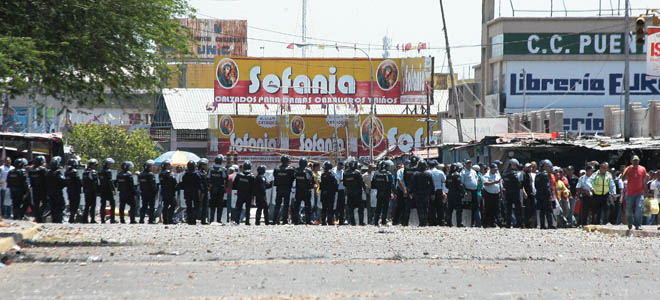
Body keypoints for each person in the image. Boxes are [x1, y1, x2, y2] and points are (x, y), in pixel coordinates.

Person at [622, 155, 648, 230]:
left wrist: (646, 192)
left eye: (636, 160)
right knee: (629, 209)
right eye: (634, 160)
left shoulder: (642, 169)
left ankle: (638, 224)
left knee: (639, 207)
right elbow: (623, 179)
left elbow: (644, 181)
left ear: (639, 161)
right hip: (630, 193)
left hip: (639, 192)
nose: (635, 162)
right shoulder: (628, 168)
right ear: (631, 161)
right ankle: (630, 222)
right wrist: (627, 171)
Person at [409, 160, 433, 227]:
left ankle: (421, 222)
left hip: (418, 194)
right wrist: (432, 193)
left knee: (420, 208)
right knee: (425, 208)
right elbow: (432, 185)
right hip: (426, 194)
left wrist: (411, 192)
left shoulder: (415, 174)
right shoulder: (428, 174)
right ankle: (425, 222)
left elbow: (412, 184)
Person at [272, 155, 295, 225]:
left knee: (277, 205)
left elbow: (275, 176)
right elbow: (293, 178)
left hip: (279, 189)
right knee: (286, 205)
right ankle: (284, 220)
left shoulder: (276, 169)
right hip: (287, 189)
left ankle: (275, 220)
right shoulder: (290, 169)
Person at [502, 159, 524, 228]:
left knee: (508, 209)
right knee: (518, 208)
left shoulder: (504, 173)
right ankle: (519, 223)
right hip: (515, 192)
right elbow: (519, 183)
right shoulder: (515, 173)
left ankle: (508, 223)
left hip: (507, 192)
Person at [232, 160, 255, 225]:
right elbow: (253, 188)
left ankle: (237, 221)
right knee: (247, 209)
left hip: (240, 194)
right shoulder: (251, 176)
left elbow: (234, 185)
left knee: (238, 208)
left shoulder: (239, 175)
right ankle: (247, 222)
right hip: (248, 195)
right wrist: (253, 197)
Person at [371, 161, 394, 226]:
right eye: (388, 166)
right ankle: (383, 221)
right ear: (386, 167)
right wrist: (395, 192)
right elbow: (391, 184)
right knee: (385, 207)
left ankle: (376, 222)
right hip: (386, 193)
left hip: (379, 192)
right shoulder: (388, 174)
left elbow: (373, 185)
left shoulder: (376, 173)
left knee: (378, 207)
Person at [292, 158, 314, 225]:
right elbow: (312, 181)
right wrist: (311, 187)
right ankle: (308, 221)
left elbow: (293, 178)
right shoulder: (308, 171)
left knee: (297, 207)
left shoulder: (296, 170)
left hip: (298, 191)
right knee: (308, 207)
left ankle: (295, 221)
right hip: (306, 191)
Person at [535, 160, 556, 229]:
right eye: (549, 167)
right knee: (548, 210)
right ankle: (550, 224)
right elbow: (547, 186)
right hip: (545, 195)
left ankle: (542, 225)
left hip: (539, 195)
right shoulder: (545, 174)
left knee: (542, 211)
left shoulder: (537, 174)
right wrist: (549, 195)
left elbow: (536, 185)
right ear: (545, 167)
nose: (551, 168)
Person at [45, 157, 66, 223]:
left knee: (52, 206)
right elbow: (63, 182)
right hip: (57, 192)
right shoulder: (57, 173)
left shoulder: (47, 173)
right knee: (60, 205)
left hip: (49, 192)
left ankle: (54, 219)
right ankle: (59, 219)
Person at [181, 160, 202, 225]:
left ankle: (189, 219)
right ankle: (193, 219)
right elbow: (199, 184)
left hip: (187, 192)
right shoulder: (197, 174)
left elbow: (183, 184)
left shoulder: (185, 175)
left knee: (189, 206)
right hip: (195, 192)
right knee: (196, 206)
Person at [461, 160, 481, 227]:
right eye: (468, 164)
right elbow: (462, 183)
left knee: (475, 207)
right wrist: (464, 191)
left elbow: (476, 179)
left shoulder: (474, 171)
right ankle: (468, 222)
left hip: (474, 191)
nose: (469, 165)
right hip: (468, 191)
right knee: (468, 207)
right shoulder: (463, 172)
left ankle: (476, 223)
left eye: (470, 163)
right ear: (465, 165)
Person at [208, 155, 228, 224]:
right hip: (220, 188)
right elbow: (225, 178)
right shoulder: (223, 169)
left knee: (212, 205)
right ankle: (218, 220)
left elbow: (208, 178)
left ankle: (211, 219)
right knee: (220, 205)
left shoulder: (211, 169)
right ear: (221, 162)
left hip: (213, 188)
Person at [28, 156, 47, 223]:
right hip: (43, 189)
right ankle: (40, 215)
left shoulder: (31, 170)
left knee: (36, 204)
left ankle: (37, 217)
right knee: (45, 203)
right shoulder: (43, 169)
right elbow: (46, 179)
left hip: (34, 189)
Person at [482, 163, 502, 228]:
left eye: (496, 169)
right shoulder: (486, 175)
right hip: (488, 194)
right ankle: (485, 224)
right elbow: (485, 183)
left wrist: (501, 193)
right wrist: (494, 182)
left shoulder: (497, 175)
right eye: (494, 169)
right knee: (488, 209)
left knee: (497, 209)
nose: (495, 171)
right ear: (490, 169)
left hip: (496, 194)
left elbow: (500, 185)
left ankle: (497, 223)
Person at [446, 163, 465, 227]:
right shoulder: (457, 175)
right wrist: (463, 192)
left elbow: (446, 185)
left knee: (449, 209)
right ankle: (459, 223)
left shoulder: (448, 175)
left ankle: (449, 222)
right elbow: (460, 185)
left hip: (450, 193)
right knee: (458, 209)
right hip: (456, 194)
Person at [138, 160, 157, 224]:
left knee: (144, 206)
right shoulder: (150, 174)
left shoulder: (141, 174)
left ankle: (141, 219)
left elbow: (140, 184)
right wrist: (155, 192)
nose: (152, 168)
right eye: (151, 167)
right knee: (151, 207)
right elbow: (153, 185)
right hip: (151, 193)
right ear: (148, 167)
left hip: (143, 192)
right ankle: (151, 220)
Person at [98, 158, 116, 224]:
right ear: (107, 164)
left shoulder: (100, 171)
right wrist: (113, 189)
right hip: (108, 190)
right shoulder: (108, 171)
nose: (110, 165)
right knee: (112, 204)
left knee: (103, 204)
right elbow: (110, 181)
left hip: (102, 189)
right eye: (110, 164)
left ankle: (102, 219)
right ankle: (112, 219)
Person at [429, 160, 447, 226]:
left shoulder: (428, 172)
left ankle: (433, 221)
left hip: (431, 191)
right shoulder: (440, 172)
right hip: (439, 190)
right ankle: (441, 221)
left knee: (431, 207)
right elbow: (444, 180)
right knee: (440, 207)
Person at [159, 160, 177, 225]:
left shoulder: (161, 174)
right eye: (169, 165)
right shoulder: (168, 173)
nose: (170, 166)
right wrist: (172, 174)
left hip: (164, 191)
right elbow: (174, 181)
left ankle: (165, 220)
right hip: (170, 192)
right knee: (173, 204)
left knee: (165, 206)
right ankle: (170, 218)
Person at [319, 161, 338, 226]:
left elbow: (321, 185)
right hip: (330, 194)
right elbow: (336, 185)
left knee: (324, 208)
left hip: (324, 194)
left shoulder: (322, 175)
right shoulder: (332, 176)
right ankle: (330, 221)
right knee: (330, 208)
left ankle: (323, 221)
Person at [64, 159, 82, 223]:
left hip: (69, 190)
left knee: (71, 204)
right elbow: (78, 181)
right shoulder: (74, 171)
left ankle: (71, 217)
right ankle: (72, 217)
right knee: (76, 204)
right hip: (75, 190)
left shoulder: (66, 172)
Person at [82, 159, 99, 223]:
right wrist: (97, 191)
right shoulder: (93, 172)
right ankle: (92, 219)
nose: (95, 166)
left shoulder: (84, 172)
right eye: (95, 165)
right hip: (92, 191)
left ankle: (85, 219)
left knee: (87, 205)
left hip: (86, 190)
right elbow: (95, 182)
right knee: (93, 205)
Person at [392, 160, 409, 225]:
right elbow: (399, 180)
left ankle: (403, 221)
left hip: (406, 190)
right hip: (401, 190)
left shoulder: (409, 170)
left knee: (405, 206)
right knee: (399, 206)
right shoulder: (401, 170)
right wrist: (404, 190)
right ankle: (395, 221)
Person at [522, 163, 536, 228]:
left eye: (530, 167)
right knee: (527, 209)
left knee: (533, 209)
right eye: (528, 167)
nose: (530, 168)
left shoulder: (530, 175)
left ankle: (532, 223)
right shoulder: (523, 174)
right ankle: (526, 224)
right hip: (526, 194)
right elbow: (521, 185)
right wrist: (524, 193)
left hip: (531, 194)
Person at [197, 159, 210, 225]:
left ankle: (203, 219)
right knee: (200, 205)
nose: (205, 166)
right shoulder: (199, 173)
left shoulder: (204, 172)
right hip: (201, 191)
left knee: (205, 206)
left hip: (205, 190)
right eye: (204, 165)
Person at [334, 160, 347, 225]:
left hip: (342, 190)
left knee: (342, 206)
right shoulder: (334, 171)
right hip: (336, 190)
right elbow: (336, 180)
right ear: (338, 165)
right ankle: (336, 219)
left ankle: (341, 220)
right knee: (336, 206)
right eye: (340, 166)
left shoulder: (343, 172)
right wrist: (341, 180)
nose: (341, 167)